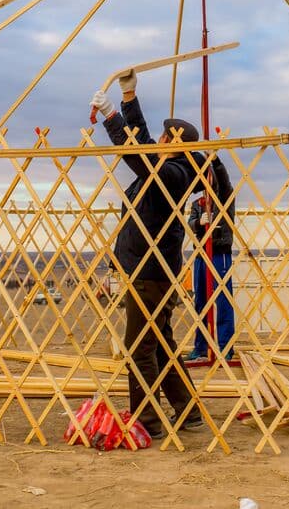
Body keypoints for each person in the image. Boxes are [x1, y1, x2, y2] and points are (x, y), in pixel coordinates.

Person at [91, 71, 205, 437]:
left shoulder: (173, 173)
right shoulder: (166, 166)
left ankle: (147, 420)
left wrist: (112, 117)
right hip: (148, 269)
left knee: (139, 347)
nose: (157, 140)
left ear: (174, 142)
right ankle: (188, 411)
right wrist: (129, 97)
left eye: (163, 137)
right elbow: (140, 141)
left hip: (149, 272)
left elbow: (137, 151)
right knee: (161, 346)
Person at [186, 155, 235, 361]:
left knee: (223, 302)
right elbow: (190, 222)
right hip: (201, 254)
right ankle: (201, 346)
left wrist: (216, 162)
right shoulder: (198, 203)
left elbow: (224, 181)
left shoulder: (225, 198)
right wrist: (198, 223)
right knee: (201, 302)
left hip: (219, 253)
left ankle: (225, 347)